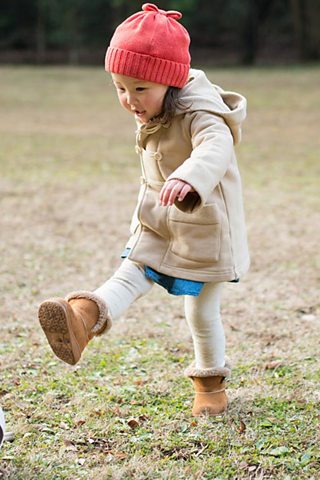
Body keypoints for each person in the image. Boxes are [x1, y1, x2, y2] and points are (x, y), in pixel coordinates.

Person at [37, 3, 249, 417]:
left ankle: (209, 383)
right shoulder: (156, 105)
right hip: (158, 219)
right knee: (131, 271)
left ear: (170, 82)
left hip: (206, 226)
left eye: (139, 88)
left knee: (201, 309)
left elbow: (216, 147)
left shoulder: (201, 111)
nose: (129, 99)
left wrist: (190, 176)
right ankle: (81, 320)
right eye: (120, 87)